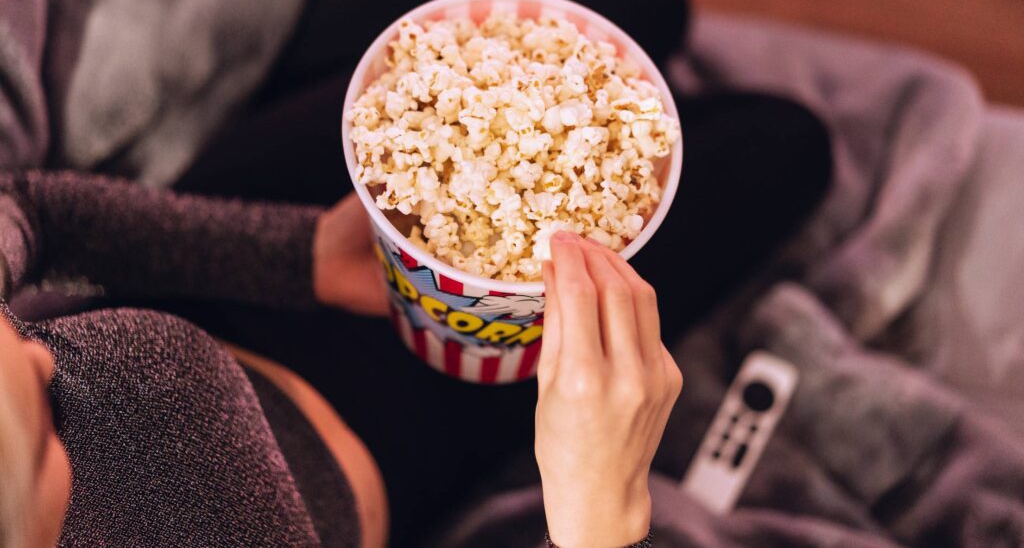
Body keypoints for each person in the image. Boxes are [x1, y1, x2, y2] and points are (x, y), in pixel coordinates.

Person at [0, 170, 683, 547]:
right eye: (33, 442)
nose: (37, 355)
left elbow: (28, 209)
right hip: (399, 451)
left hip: (230, 295)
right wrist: (601, 523)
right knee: (777, 144)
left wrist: (294, 253)